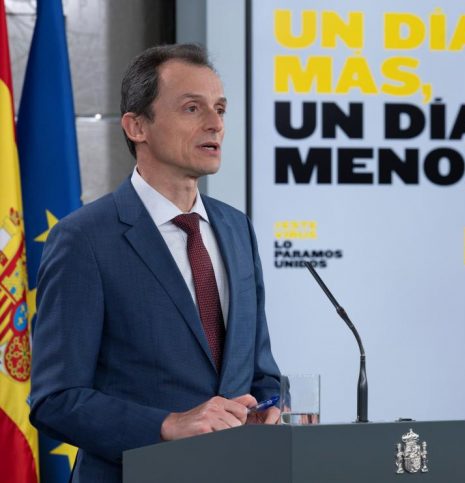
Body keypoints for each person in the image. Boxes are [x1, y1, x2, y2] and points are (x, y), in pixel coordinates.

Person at [29, 44, 281, 483]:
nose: (215, 124)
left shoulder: (237, 229)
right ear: (136, 126)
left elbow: (260, 373)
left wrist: (269, 407)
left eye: (220, 109)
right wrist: (167, 425)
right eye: (192, 108)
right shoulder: (84, 239)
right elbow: (55, 399)